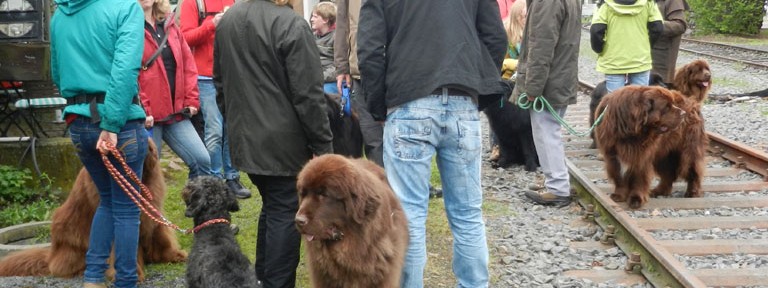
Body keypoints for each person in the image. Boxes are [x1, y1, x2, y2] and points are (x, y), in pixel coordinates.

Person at [358, 1, 507, 287]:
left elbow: (370, 49)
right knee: (468, 213)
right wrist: (473, 80)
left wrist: (378, 106)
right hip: (463, 99)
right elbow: (495, 37)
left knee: (409, 214)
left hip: (408, 101)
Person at [213, 0, 333, 287]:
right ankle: (274, 282)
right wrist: (324, 146)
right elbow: (308, 94)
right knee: (283, 211)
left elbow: (220, 84)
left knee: (274, 206)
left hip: (249, 137)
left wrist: (237, 123)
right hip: (282, 142)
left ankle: (263, 279)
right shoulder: (290, 24)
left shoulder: (229, 21)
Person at [50, 0, 146, 286]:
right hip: (119, 124)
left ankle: (93, 277)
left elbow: (57, 72)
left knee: (108, 201)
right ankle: (125, 281)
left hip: (79, 122)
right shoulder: (126, 7)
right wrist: (112, 124)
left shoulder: (60, 14)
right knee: (127, 208)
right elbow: (126, 69)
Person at [179, 0, 251, 198]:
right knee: (214, 131)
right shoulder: (193, 3)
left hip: (231, 74)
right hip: (205, 77)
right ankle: (215, 180)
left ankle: (232, 177)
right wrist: (211, 24)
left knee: (231, 128)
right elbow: (184, 38)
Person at [512, 0, 581, 207]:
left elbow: (541, 46)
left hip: (549, 80)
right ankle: (555, 181)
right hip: (561, 75)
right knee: (550, 131)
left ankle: (558, 187)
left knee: (546, 133)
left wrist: (532, 88)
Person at [139, 0, 213, 180]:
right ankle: (147, 209)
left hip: (175, 114)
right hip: (148, 118)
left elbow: (187, 64)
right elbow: (129, 74)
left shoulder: (169, 26)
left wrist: (191, 100)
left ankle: (197, 207)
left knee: (202, 160)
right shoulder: (127, 28)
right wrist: (143, 108)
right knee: (147, 174)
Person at [333, 0, 384, 166]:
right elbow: (342, 22)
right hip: (361, 71)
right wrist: (341, 66)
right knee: (372, 138)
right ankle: (381, 185)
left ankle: (410, 186)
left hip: (397, 70)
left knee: (406, 137)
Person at [590, 0, 664, 93]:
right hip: (640, 59)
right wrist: (647, 45)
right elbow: (658, 28)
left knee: (615, 101)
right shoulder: (648, 4)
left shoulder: (606, 5)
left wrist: (600, 50)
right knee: (640, 99)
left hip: (614, 61)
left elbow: (596, 31)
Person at [490, 0, 527, 162]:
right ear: (517, 16)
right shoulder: (505, 31)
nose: (526, 19)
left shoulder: (531, 31)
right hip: (505, 80)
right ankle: (496, 146)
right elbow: (497, 59)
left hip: (523, 80)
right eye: (524, 16)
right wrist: (516, 64)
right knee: (498, 115)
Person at [652, 0, 689, 82]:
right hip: (638, 57)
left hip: (660, 58)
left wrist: (655, 25)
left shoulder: (673, 1)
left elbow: (680, 25)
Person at [311, 1, 339, 95]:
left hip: (330, 81)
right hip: (316, 79)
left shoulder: (337, 38)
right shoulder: (312, 36)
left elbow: (338, 67)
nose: (311, 19)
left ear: (325, 20)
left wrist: (318, 77)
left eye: (315, 17)